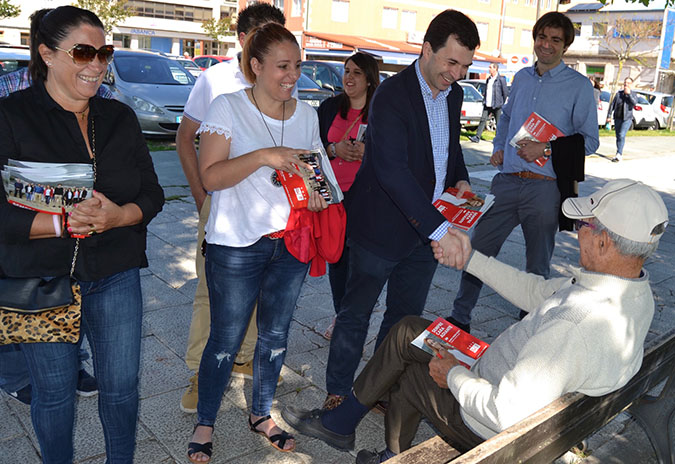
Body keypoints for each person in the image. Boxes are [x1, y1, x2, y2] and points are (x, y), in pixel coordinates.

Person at [283, 178, 668, 463]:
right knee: (408, 331)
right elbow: (537, 292)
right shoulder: (630, 292)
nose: (578, 231)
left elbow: (505, 414)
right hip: (518, 389)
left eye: (585, 225)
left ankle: (388, 455)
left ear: (603, 242)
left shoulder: (574, 325)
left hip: (489, 421)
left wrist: (452, 374)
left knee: (411, 373)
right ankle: (344, 425)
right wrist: (471, 260)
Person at [0, 6, 164, 463]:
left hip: (115, 271)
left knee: (122, 389)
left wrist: (118, 216)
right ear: (47, 54)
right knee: (53, 395)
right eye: (83, 52)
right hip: (43, 280)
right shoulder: (11, 117)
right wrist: (60, 223)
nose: (97, 64)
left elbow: (153, 194)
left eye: (104, 52)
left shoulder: (118, 118)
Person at [318, 9, 480, 412]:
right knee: (356, 313)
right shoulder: (390, 95)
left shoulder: (454, 94)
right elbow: (392, 171)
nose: (458, 74)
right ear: (427, 50)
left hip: (426, 231)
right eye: (451, 62)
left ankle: (377, 388)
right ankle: (339, 389)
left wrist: (460, 180)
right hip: (383, 227)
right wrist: (440, 230)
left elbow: (448, 149)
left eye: (465, 66)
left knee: (403, 318)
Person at [185, 22, 328, 463]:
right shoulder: (228, 108)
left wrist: (323, 196)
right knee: (225, 338)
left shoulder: (307, 114)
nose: (292, 75)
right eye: (283, 66)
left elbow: (317, 172)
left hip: (291, 244)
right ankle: (205, 420)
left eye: (298, 66)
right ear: (255, 66)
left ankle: (261, 413)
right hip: (235, 245)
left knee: (276, 336)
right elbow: (210, 176)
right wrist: (264, 157)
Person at [448, 12, 599, 333]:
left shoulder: (580, 87)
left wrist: (545, 148)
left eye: (555, 40)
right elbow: (505, 119)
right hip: (506, 182)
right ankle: (460, 315)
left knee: (538, 264)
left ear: (565, 45)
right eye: (542, 37)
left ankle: (529, 323)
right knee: (478, 250)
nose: (546, 45)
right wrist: (499, 147)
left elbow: (590, 142)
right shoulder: (521, 78)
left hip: (545, 189)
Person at [175, 1, 287, 414]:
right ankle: (198, 373)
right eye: (265, 36)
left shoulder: (285, 81)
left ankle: (243, 357)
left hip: (270, 214)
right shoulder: (215, 80)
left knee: (263, 290)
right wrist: (201, 196)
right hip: (221, 209)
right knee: (211, 292)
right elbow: (184, 139)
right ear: (243, 41)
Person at [316, 52, 380, 339]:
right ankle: (341, 316)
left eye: (356, 72)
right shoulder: (330, 107)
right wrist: (334, 150)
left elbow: (394, 152)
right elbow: (312, 146)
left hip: (364, 198)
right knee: (337, 259)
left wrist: (370, 154)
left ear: (369, 79)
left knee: (362, 263)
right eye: (346, 71)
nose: (349, 77)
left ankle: (355, 318)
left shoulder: (381, 111)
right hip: (332, 195)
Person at [469, 63, 508, 143]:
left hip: (497, 105)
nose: (489, 69)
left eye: (490, 67)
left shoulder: (501, 79)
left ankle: (499, 139)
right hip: (487, 104)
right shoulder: (488, 79)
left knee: (499, 123)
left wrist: (501, 103)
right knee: (483, 120)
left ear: (495, 69)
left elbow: (505, 93)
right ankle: (477, 137)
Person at [607, 77, 637, 163]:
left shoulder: (633, 94)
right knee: (618, 136)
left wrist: (628, 94)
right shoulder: (618, 94)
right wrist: (609, 115)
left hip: (627, 118)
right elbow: (612, 105)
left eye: (628, 83)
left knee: (621, 134)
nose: (626, 85)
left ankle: (619, 154)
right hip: (618, 117)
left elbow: (634, 103)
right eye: (625, 83)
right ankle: (618, 152)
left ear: (631, 84)